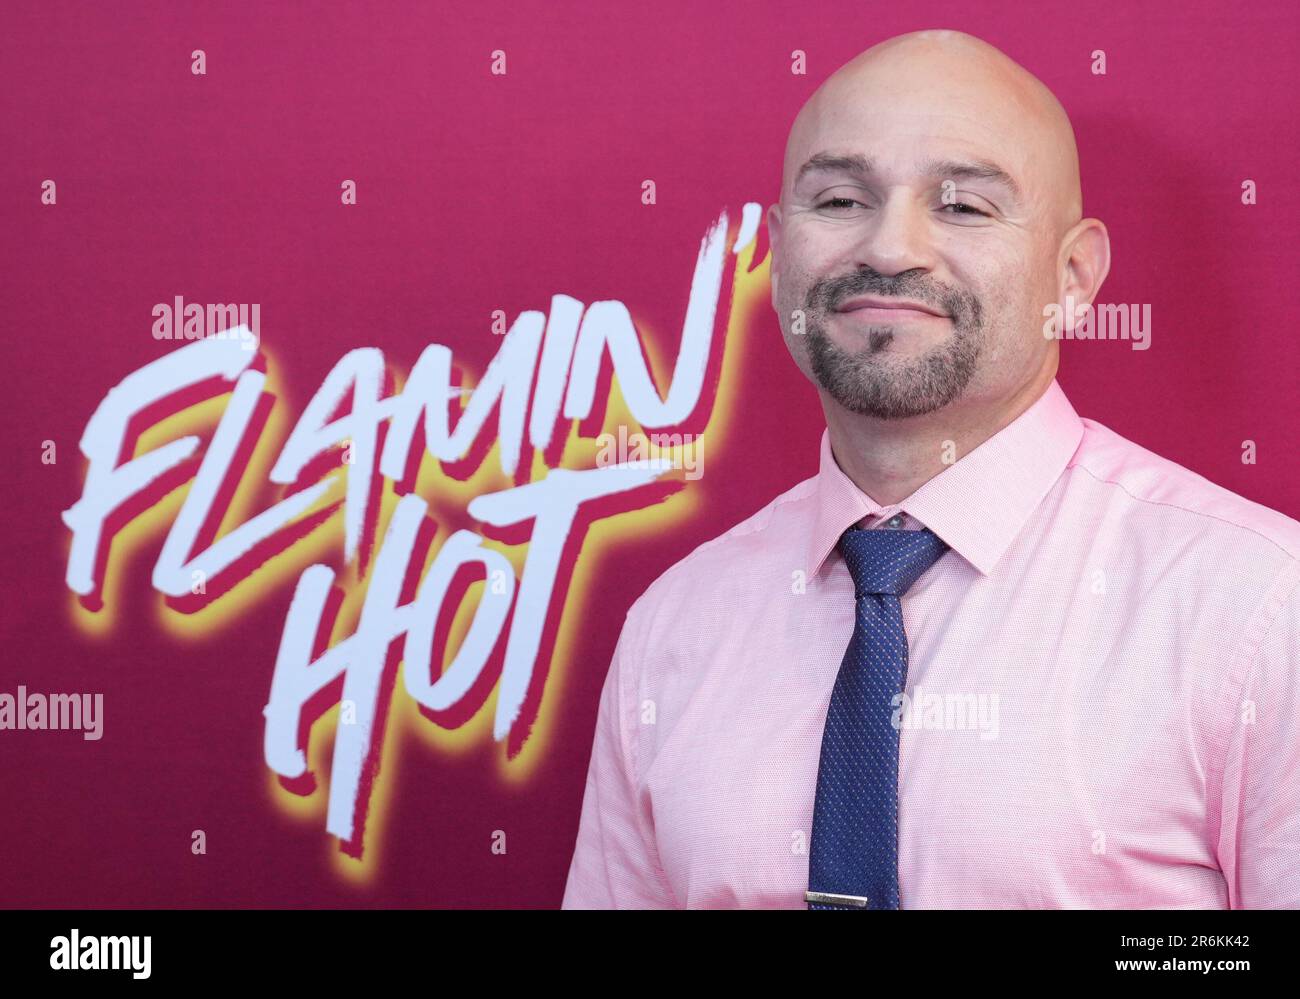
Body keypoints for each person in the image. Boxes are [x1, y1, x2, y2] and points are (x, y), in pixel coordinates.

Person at [561, 28, 1300, 909]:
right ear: (776, 247)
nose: (888, 249)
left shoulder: (1256, 608)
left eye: (961, 206)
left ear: (1073, 275)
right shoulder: (673, 628)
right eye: (839, 199)